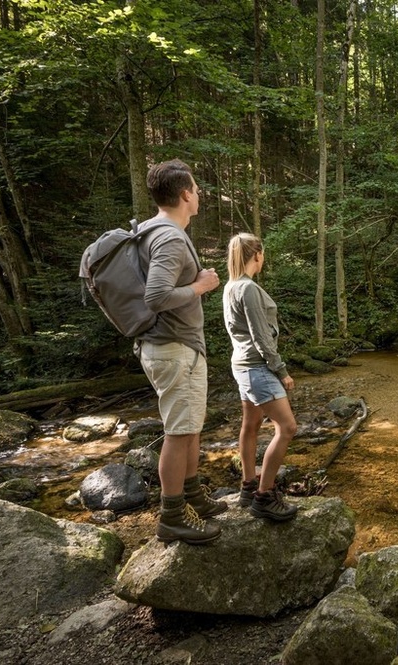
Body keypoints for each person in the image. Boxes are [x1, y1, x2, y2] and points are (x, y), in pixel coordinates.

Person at [137, 159, 227, 544]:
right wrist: (202, 286)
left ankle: (193, 497)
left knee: (190, 426)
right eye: (196, 188)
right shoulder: (170, 237)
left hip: (173, 346)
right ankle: (172, 515)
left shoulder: (148, 230)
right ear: (185, 193)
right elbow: (155, 296)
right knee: (178, 431)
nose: (200, 194)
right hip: (172, 347)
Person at [223, 233, 299, 522]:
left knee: (251, 424)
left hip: (241, 365)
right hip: (257, 367)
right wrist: (281, 371)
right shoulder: (249, 289)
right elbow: (261, 336)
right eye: (262, 254)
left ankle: (248, 485)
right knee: (288, 427)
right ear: (257, 255)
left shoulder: (231, 287)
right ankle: (264, 496)